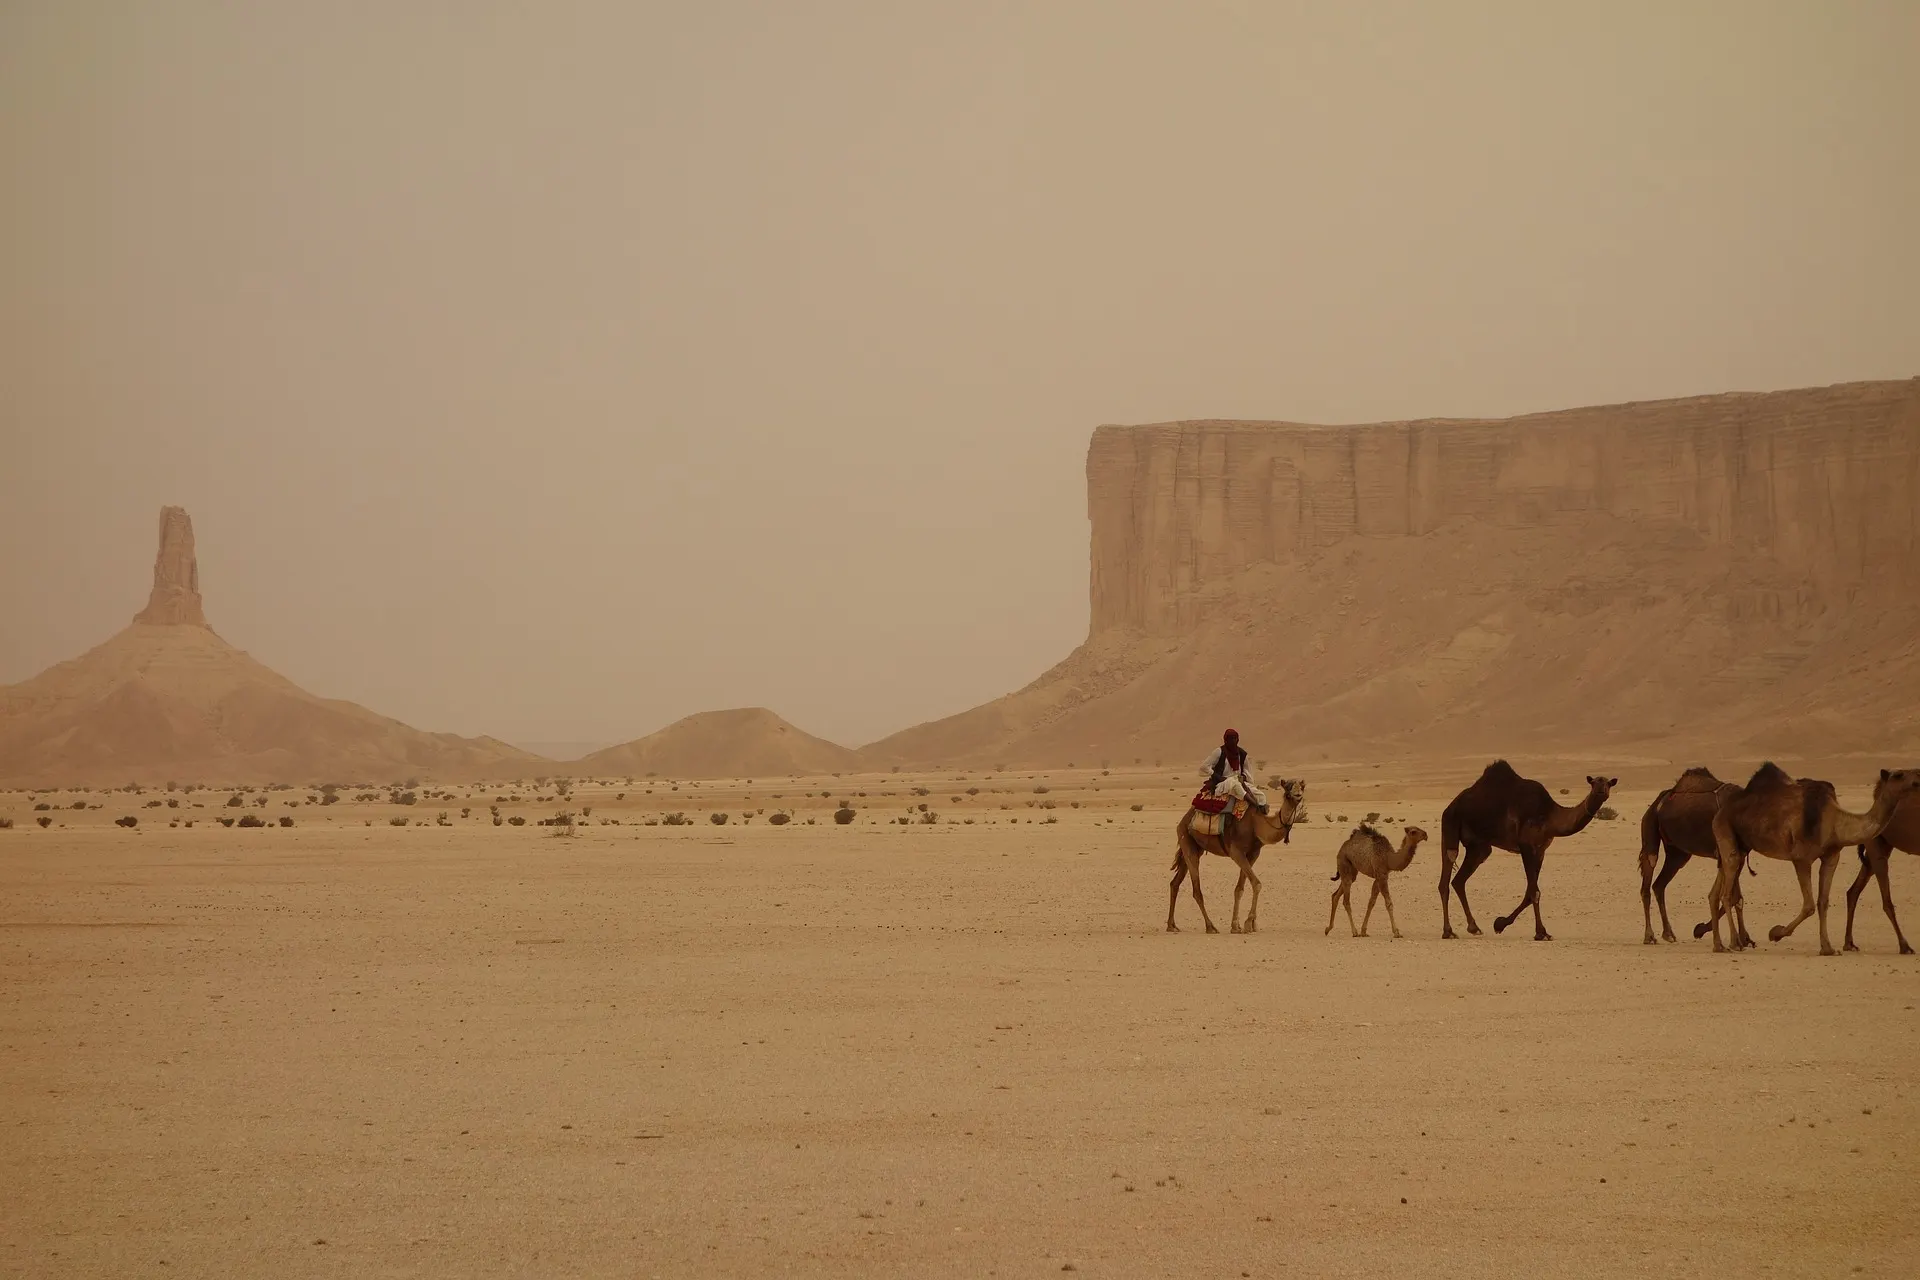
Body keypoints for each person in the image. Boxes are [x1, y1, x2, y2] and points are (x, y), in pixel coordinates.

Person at [1200, 728, 1267, 811]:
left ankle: (1262, 814)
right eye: (1230, 738)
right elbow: (1204, 767)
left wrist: (1243, 777)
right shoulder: (1219, 752)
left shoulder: (1242, 754)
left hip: (1239, 781)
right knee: (1234, 784)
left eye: (1234, 738)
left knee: (1260, 795)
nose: (1233, 741)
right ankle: (1254, 804)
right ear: (1225, 740)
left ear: (1237, 739)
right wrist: (1218, 777)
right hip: (1222, 784)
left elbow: (1247, 771)